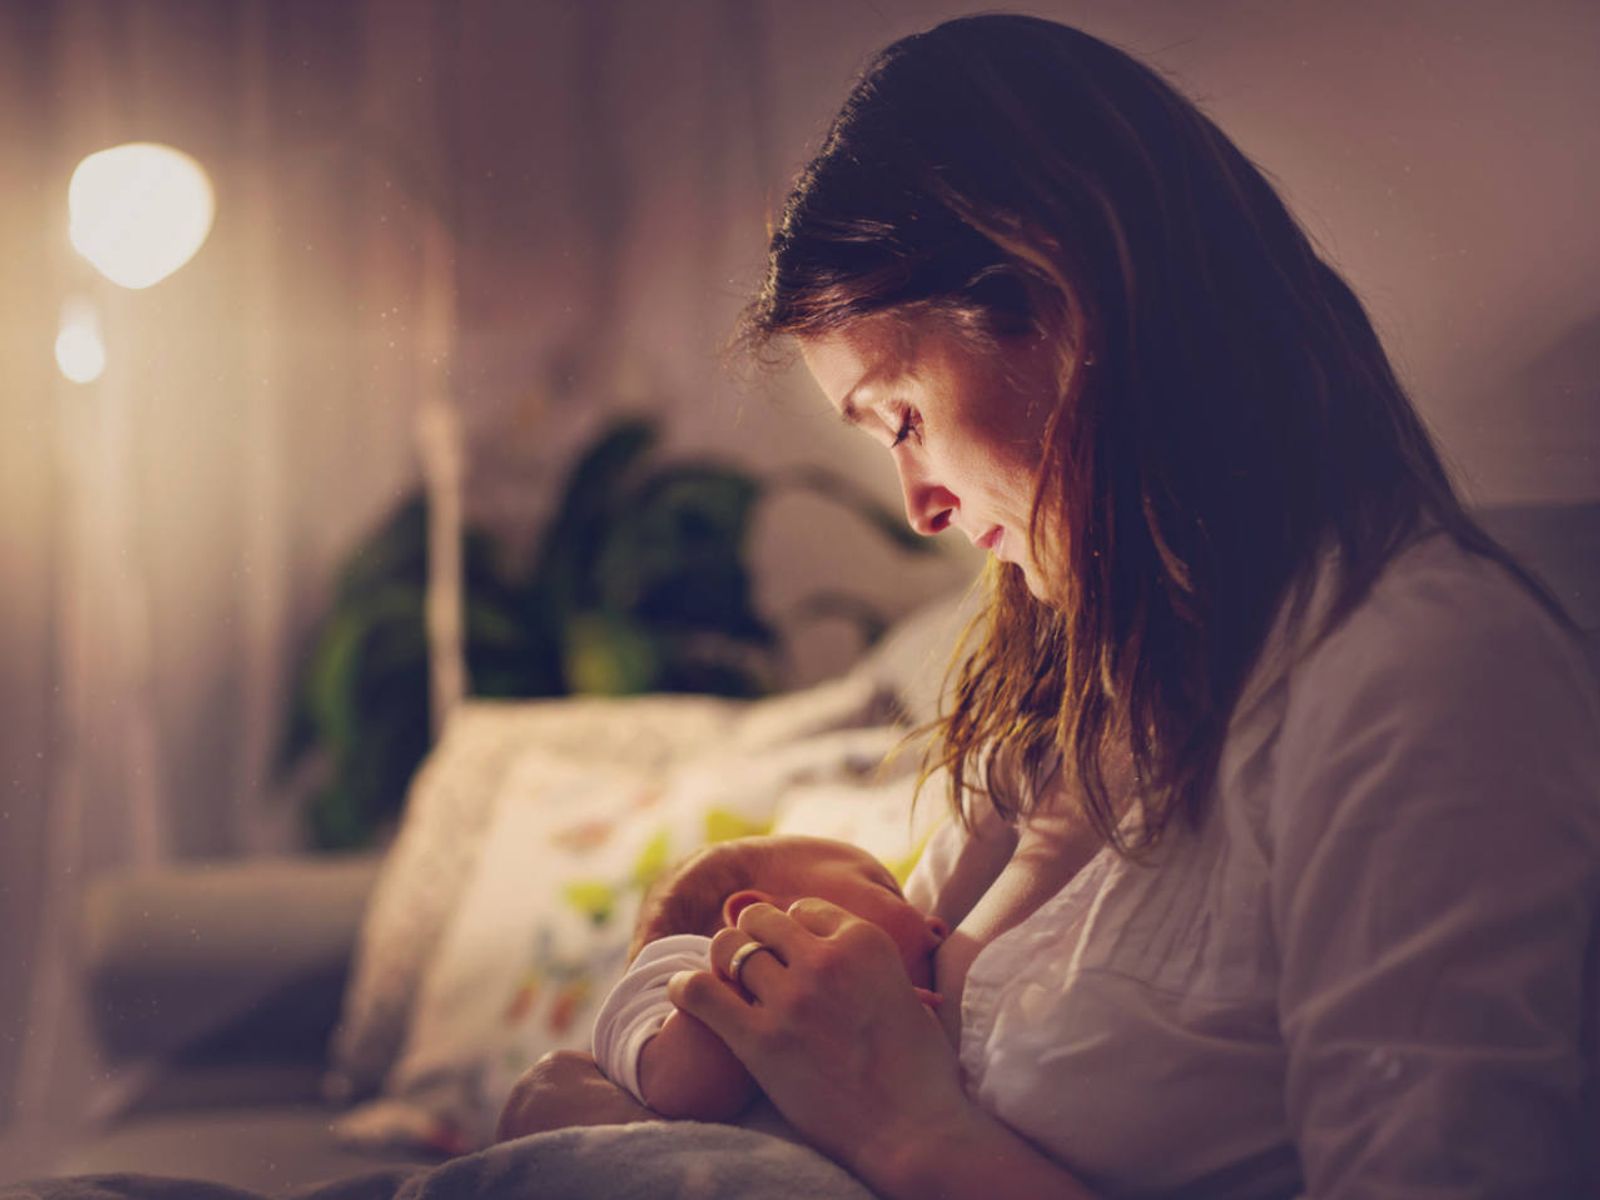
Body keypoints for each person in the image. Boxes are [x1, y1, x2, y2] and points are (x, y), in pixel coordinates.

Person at [497, 14, 1600, 1197]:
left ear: (1058, 298)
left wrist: (909, 1133)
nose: (916, 504)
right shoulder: (1062, 686)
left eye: (902, 418)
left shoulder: (1424, 681)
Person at [588, 834, 946, 1124]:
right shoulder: (674, 970)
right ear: (759, 917)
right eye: (886, 889)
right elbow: (673, 1082)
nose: (935, 923)